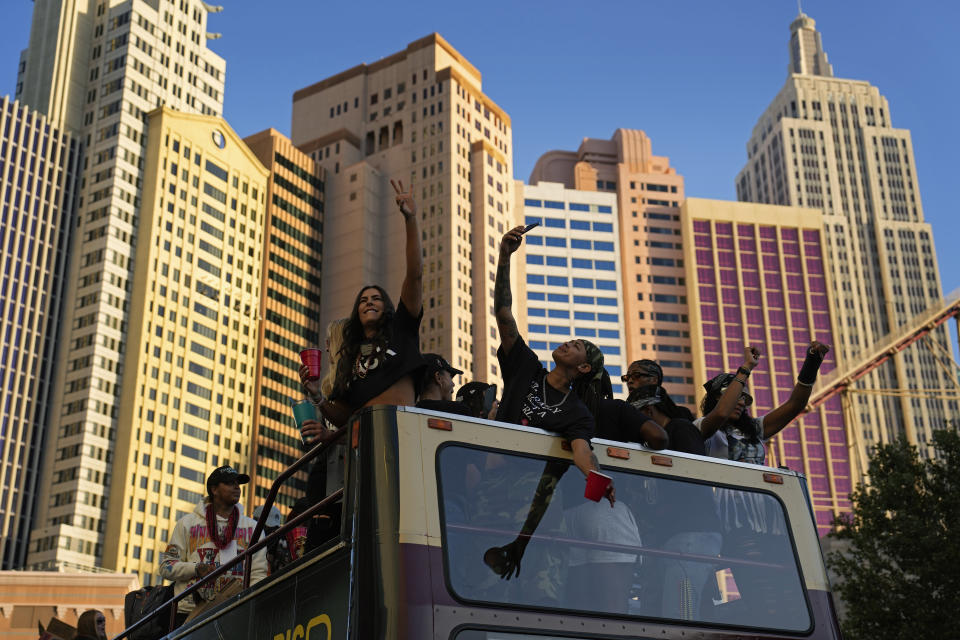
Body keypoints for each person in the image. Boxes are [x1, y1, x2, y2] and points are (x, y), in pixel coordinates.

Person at [324, 179, 424, 424]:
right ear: (356, 311)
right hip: (366, 447)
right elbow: (342, 419)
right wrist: (316, 395)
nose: (369, 302)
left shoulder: (401, 328)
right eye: (364, 300)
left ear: (387, 307)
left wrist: (410, 220)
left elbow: (415, 273)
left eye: (377, 299)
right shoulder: (349, 359)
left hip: (402, 433)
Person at [159, 466, 267, 625]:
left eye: (238, 483)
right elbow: (166, 566)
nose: (237, 487)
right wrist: (196, 568)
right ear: (214, 489)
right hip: (189, 612)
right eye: (230, 483)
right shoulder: (186, 524)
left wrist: (249, 605)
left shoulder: (252, 528)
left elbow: (257, 574)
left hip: (234, 611)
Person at [696, 342, 830, 465]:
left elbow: (795, 405)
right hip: (722, 492)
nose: (742, 403)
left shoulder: (753, 429)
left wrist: (813, 362)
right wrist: (747, 367)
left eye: (745, 398)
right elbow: (721, 413)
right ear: (717, 397)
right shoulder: (701, 426)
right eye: (738, 397)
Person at [596, 371, 669, 449]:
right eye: (627, 378)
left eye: (636, 375)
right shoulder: (618, 408)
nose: (629, 381)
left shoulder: (677, 427)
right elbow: (658, 436)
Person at [631, 385, 705, 455]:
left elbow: (694, 465)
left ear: (649, 411)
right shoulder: (651, 441)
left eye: (635, 415)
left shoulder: (681, 428)